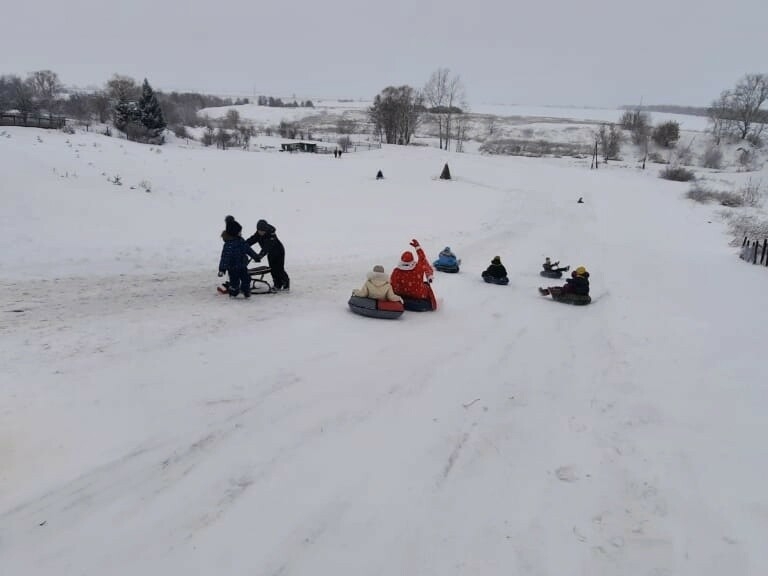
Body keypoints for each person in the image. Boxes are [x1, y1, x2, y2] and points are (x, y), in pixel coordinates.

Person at [390, 239, 437, 310]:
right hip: (417, 295)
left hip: (400, 293)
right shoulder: (418, 268)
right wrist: (418, 248)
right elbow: (423, 259)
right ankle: (430, 304)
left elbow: (392, 284)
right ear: (412, 260)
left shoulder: (396, 271)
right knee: (426, 286)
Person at [245, 219, 290, 291]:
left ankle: (286, 283)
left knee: (279, 269)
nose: (261, 232)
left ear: (265, 229)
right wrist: (243, 245)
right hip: (271, 253)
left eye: (263, 231)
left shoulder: (271, 235)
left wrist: (260, 256)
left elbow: (267, 247)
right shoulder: (258, 233)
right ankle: (277, 284)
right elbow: (252, 239)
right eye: (259, 231)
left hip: (279, 252)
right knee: (272, 269)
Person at [218, 230, 259, 298]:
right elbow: (224, 258)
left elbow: (248, 250)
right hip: (232, 268)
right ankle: (233, 291)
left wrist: (255, 257)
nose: (241, 233)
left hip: (242, 266)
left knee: (247, 279)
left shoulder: (241, 241)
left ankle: (246, 291)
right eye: (239, 232)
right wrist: (222, 269)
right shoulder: (228, 245)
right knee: (234, 282)